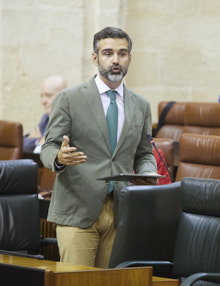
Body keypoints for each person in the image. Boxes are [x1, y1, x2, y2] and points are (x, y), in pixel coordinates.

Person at [40, 27, 157, 268]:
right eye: (108, 53)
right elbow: (48, 147)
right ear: (95, 58)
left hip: (120, 213)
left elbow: (144, 154)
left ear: (130, 58)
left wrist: (147, 172)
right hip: (77, 210)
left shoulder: (141, 105)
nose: (116, 60)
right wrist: (59, 157)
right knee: (76, 282)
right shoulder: (69, 98)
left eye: (122, 53)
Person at [23, 75, 67, 152]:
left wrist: (39, 142)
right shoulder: (46, 117)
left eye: (48, 96)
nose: (43, 101)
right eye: (42, 96)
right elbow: (23, 143)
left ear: (63, 95)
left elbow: (53, 149)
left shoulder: (69, 118)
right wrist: (38, 140)